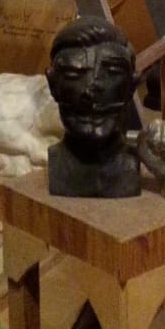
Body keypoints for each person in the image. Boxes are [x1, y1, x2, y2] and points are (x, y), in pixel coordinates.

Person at [45, 17, 140, 198]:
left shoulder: (133, 162)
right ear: (53, 85)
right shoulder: (56, 162)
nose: (91, 91)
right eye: (74, 75)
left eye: (112, 73)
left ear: (131, 86)